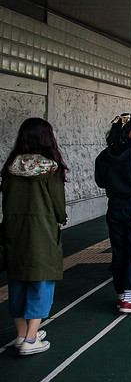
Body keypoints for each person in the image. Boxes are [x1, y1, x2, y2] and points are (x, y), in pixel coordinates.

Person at [1, 117, 68, 356]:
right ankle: (31, 340)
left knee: (17, 280)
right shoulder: (51, 168)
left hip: (14, 230)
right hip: (42, 230)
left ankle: (21, 335)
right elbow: (58, 206)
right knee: (41, 281)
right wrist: (61, 218)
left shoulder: (10, 167)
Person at [94, 113, 131, 314]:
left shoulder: (103, 155)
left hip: (114, 206)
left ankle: (121, 295)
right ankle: (130, 294)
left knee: (119, 250)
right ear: (130, 132)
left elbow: (101, 182)